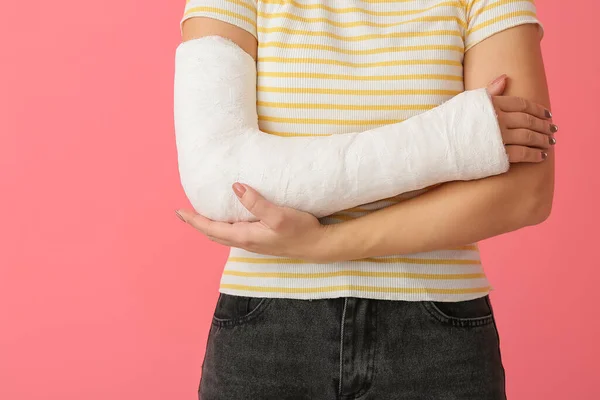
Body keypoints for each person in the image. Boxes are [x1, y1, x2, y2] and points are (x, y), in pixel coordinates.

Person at [175, 1, 555, 398]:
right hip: (265, 330)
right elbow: (220, 178)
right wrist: (450, 141)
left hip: (438, 334)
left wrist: (324, 244)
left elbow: (525, 194)